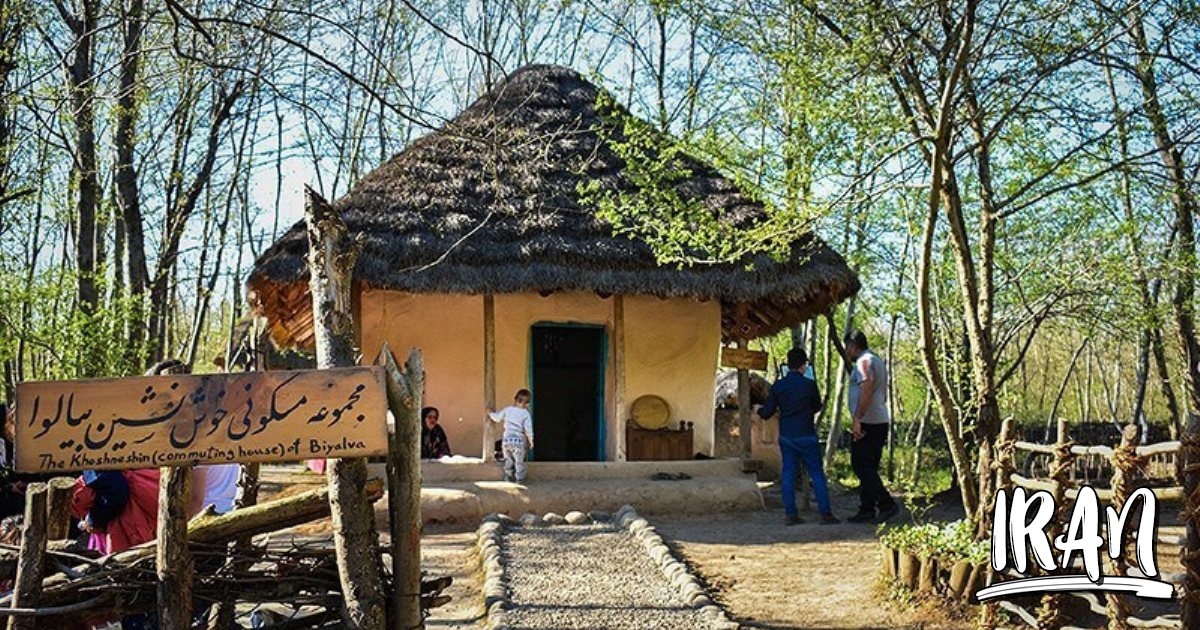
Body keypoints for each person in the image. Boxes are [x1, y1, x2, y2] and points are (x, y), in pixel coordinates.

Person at [757, 348, 839, 526]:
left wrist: (759, 410)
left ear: (788, 365)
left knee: (788, 473)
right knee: (816, 474)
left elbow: (767, 412)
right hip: (807, 434)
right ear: (803, 366)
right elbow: (817, 406)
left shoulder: (779, 386)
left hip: (787, 436)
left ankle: (790, 514)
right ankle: (825, 514)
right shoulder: (809, 385)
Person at [844, 330, 900, 523]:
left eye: (847, 347)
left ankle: (886, 504)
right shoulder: (875, 359)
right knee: (869, 467)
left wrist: (857, 418)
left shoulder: (864, 362)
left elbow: (867, 387)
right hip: (878, 420)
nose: (847, 352)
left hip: (869, 421)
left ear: (853, 346)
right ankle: (866, 508)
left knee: (860, 465)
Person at [488, 389, 534, 483]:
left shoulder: (507, 410)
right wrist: (531, 441)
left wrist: (489, 413)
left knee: (508, 460)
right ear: (527, 404)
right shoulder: (525, 414)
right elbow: (528, 429)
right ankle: (519, 478)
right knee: (519, 461)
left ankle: (508, 476)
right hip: (519, 442)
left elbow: (497, 418)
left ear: (515, 399)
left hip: (507, 440)